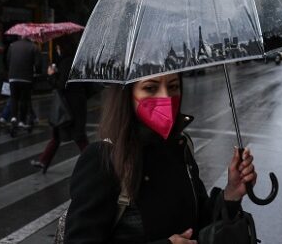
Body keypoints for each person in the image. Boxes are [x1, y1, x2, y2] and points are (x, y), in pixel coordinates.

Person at [64, 73, 257, 243]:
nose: (165, 96)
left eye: (173, 86)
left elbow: (199, 222)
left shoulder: (180, 147)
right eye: (150, 88)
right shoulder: (102, 159)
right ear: (127, 94)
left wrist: (231, 194)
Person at [31, 37, 89, 173]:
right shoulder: (74, 61)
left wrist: (51, 75)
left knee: (79, 137)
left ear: (62, 48)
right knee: (58, 134)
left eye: (58, 47)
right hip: (73, 104)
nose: (57, 50)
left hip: (69, 106)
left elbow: (61, 85)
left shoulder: (67, 62)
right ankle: (43, 161)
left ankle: (94, 163)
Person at [7, 36, 42, 129]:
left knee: (13, 98)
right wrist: (37, 72)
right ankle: (22, 121)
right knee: (24, 99)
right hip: (26, 78)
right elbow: (38, 64)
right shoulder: (34, 47)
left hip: (13, 76)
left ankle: (13, 118)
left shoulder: (12, 46)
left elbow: (8, 60)